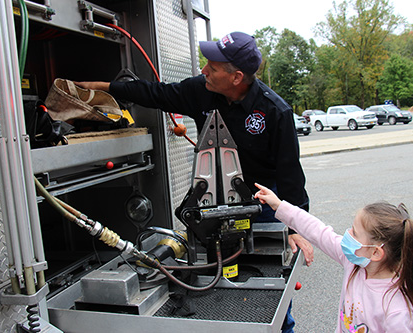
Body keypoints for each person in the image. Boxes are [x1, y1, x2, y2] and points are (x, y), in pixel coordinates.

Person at [76, 31, 313, 332]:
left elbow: (291, 175)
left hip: (261, 205)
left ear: (236, 77)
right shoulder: (200, 91)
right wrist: (101, 88)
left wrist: (296, 228)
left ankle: (282, 327)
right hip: (213, 202)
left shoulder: (275, 112)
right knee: (213, 280)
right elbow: (155, 93)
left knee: (269, 285)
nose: (203, 71)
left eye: (211, 67)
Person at [254, 183, 413, 333]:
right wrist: (279, 205)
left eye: (355, 233)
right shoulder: (354, 262)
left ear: (375, 253)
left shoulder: (398, 310)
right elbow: (318, 232)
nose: (347, 235)